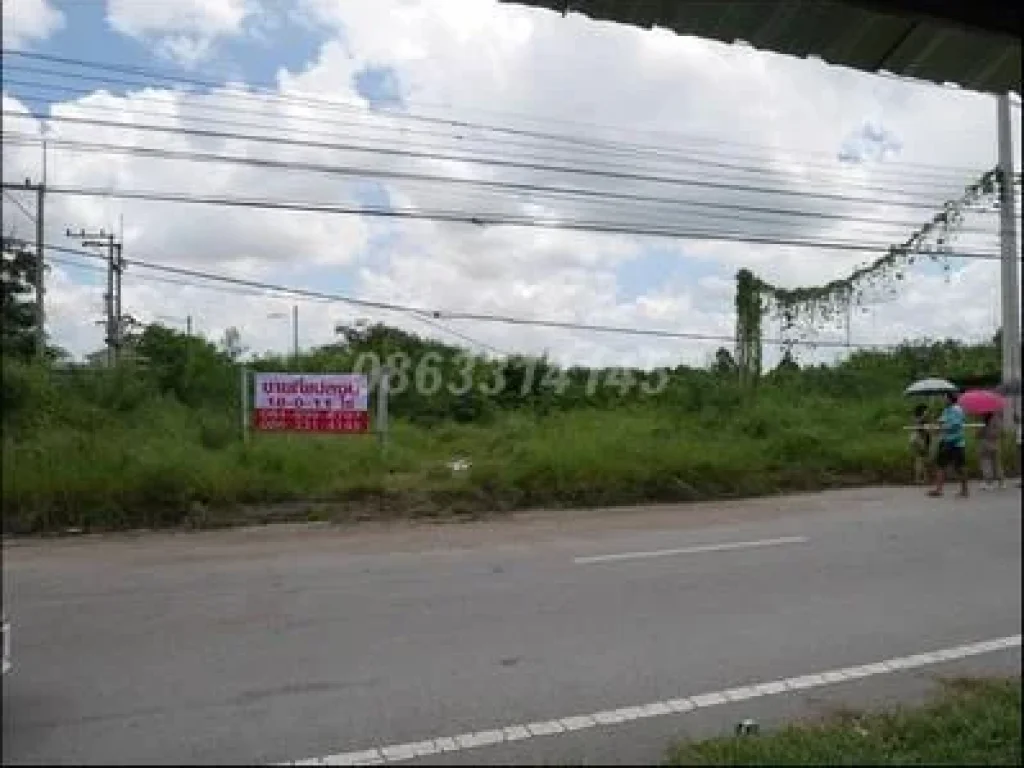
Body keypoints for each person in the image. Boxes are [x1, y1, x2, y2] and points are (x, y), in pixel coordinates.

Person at [929, 390, 968, 498]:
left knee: (960, 467)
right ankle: (938, 490)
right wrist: (934, 426)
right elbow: (941, 421)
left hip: (956, 442)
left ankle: (965, 490)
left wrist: (942, 427)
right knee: (940, 464)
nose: (943, 400)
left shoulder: (957, 410)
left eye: (945, 398)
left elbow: (956, 425)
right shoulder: (947, 410)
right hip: (946, 441)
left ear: (950, 398)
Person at [977, 412, 1005, 490]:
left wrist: (981, 431)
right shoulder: (997, 420)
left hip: (985, 445)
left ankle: (989, 482)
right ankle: (1001, 482)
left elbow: (979, 434)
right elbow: (999, 432)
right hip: (995, 445)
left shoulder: (986, 421)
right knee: (997, 463)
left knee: (986, 463)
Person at [909, 403, 932, 485]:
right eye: (926, 410)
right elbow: (921, 427)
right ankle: (922, 478)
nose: (928, 412)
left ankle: (921, 478)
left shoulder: (920, 419)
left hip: (918, 439)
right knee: (922, 459)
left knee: (920, 459)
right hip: (920, 440)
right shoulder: (920, 419)